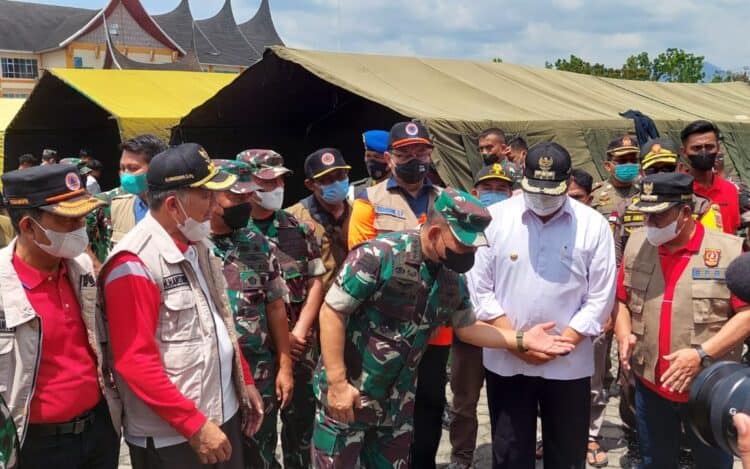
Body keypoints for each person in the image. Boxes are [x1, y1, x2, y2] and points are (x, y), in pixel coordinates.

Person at [312, 188, 576, 468]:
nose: (470, 253)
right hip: (350, 394)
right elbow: (332, 312)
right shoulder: (380, 256)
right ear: (436, 233)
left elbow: (467, 327)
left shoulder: (452, 278)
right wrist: (337, 383)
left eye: (475, 246)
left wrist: (522, 339)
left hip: (396, 404)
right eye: (464, 245)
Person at [99, 143, 264, 468]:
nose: (215, 205)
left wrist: (243, 379)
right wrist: (194, 425)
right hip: (175, 437)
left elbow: (217, 321)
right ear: (174, 205)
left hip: (218, 415)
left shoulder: (196, 245)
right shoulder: (134, 264)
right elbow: (135, 362)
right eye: (206, 195)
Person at [470, 142, 617, 469]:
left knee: (566, 454)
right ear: (522, 176)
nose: (542, 197)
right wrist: (520, 345)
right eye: (534, 188)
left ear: (567, 182)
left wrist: (560, 344)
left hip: (569, 363)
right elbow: (479, 292)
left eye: (551, 190)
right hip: (507, 361)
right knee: (509, 453)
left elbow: (601, 298)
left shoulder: (593, 225)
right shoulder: (493, 219)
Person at [614, 172, 750, 469]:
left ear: (685, 212)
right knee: (655, 461)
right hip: (650, 386)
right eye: (646, 215)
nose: (649, 224)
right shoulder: (637, 244)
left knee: (712, 464)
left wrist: (702, 354)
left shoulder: (727, 251)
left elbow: (747, 314)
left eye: (659, 217)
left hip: (708, 389)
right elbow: (621, 300)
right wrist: (623, 334)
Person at [0, 164, 121, 468]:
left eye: (82, 217)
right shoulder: (4, 286)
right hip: (35, 446)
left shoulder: (81, 269)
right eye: (68, 220)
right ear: (28, 226)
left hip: (99, 432)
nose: (81, 227)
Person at [348, 121, 451, 467]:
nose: (413, 158)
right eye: (404, 152)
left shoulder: (447, 201)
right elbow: (363, 265)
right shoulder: (368, 202)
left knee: (430, 405)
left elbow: (456, 260)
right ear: (389, 157)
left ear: (430, 154)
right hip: (384, 330)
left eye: (420, 150)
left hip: (435, 329)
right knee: (380, 405)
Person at [237, 148, 326, 469]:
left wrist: (299, 330)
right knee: (255, 437)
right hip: (254, 356)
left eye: (280, 181)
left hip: (300, 352)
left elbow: (317, 280)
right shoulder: (230, 233)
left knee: (301, 431)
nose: (276, 188)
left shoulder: (297, 229)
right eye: (267, 181)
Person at [210, 159, 293, 468]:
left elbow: (274, 306)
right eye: (237, 197)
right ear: (212, 195)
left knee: (260, 453)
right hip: (211, 377)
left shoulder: (256, 243)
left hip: (258, 371)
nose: (247, 203)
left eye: (250, 196)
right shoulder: (191, 245)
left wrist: (284, 365)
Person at [448, 163, 513, 469]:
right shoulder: (461, 227)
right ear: (475, 193)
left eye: (502, 189)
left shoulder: (518, 230)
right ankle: (462, 458)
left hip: (505, 330)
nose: (495, 194)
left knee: (510, 402)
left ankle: (508, 454)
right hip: (469, 327)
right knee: (464, 402)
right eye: (489, 189)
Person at [88, 134, 167, 264]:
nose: (125, 174)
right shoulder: (116, 206)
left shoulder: (179, 208)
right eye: (122, 168)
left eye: (133, 168)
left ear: (157, 169)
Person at [287, 148, 352, 290]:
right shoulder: (292, 218)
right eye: (327, 180)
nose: (336, 183)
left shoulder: (360, 211)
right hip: (318, 304)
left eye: (341, 175)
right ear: (310, 184)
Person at [679, 120, 741, 235]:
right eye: (696, 148)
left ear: (717, 148)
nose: (704, 153)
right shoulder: (678, 191)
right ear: (684, 152)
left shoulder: (730, 189)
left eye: (709, 147)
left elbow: (732, 232)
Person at [350, 130, 390, 199]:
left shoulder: (404, 189)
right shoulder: (355, 191)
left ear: (389, 160)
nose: (371, 162)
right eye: (368, 156)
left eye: (377, 157)